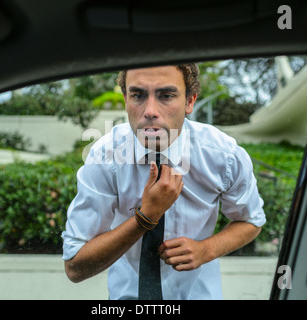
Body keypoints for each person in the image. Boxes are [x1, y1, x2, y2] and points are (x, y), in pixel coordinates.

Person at [61, 64, 266, 300]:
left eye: (166, 96)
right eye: (137, 95)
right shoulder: (105, 157)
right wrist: (145, 218)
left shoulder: (224, 156)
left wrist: (206, 250)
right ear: (126, 100)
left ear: (190, 101)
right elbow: (75, 267)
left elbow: (251, 220)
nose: (150, 110)